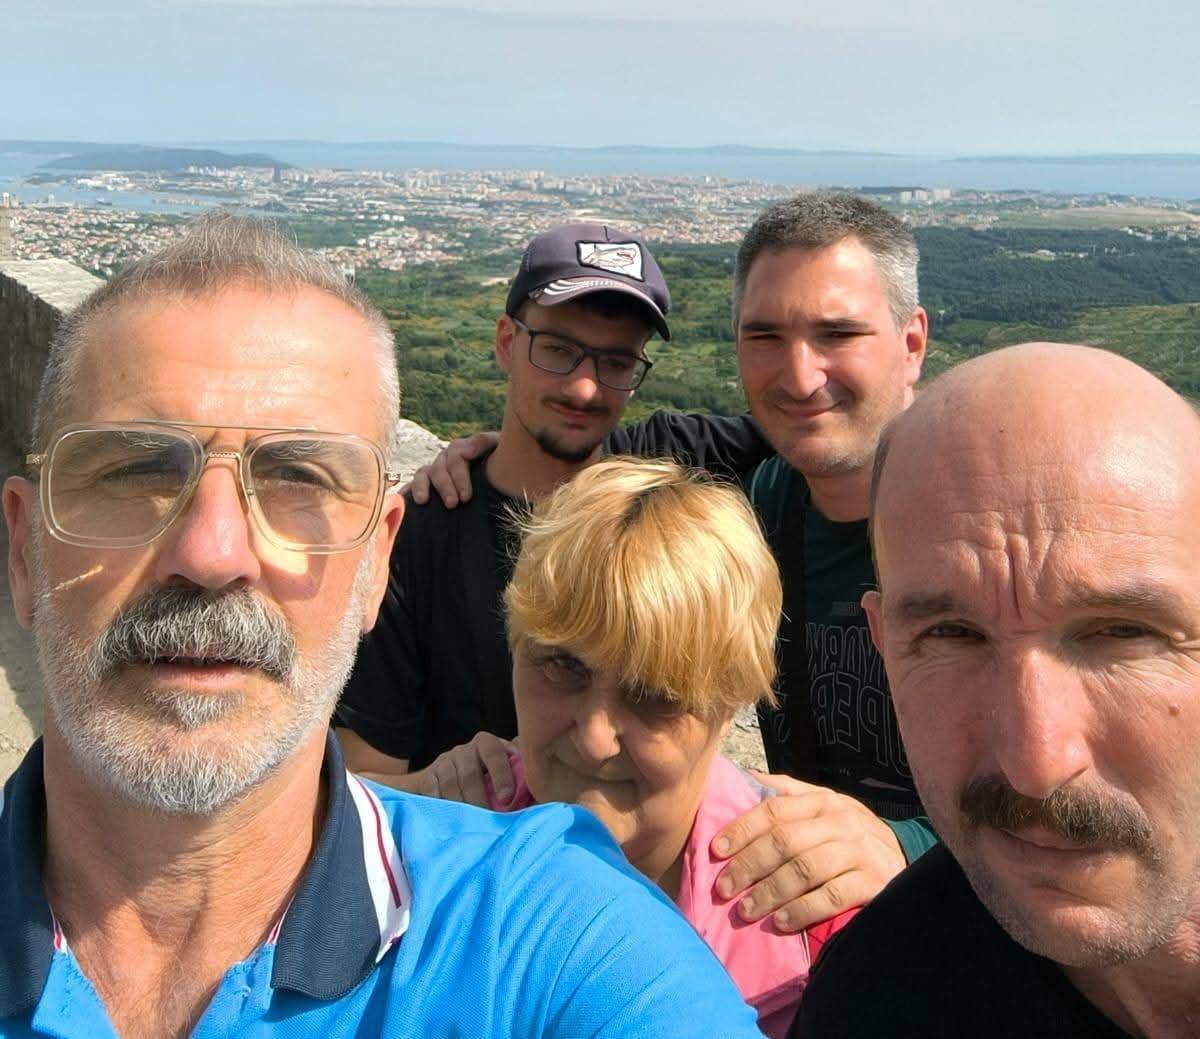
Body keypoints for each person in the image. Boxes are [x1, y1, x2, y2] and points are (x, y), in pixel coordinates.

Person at [0, 211, 765, 1039]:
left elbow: (824, 431)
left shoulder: (553, 924)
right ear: (23, 549)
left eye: (297, 478)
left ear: (376, 557)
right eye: (136, 470)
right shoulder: (442, 524)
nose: (212, 553)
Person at [401, 193, 938, 933]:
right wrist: (489, 456)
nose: (799, 376)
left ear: (912, 342)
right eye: (764, 336)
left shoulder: (994, 525)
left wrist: (906, 848)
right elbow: (582, 460)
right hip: (793, 919)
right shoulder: (762, 491)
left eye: (838, 333)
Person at [792, 342, 1200, 1037]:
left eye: (1122, 632)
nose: (1035, 764)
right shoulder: (872, 1002)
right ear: (885, 647)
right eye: (952, 635)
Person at [428, 456, 859, 1036]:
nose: (594, 738)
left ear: (727, 708)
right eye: (562, 665)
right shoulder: (428, 853)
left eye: (655, 693)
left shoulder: (828, 938)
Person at [335, 221, 770, 789]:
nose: (585, 388)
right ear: (506, 343)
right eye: (558, 350)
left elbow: (816, 427)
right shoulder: (420, 537)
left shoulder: (663, 465)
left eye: (616, 363)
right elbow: (360, 781)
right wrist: (444, 784)